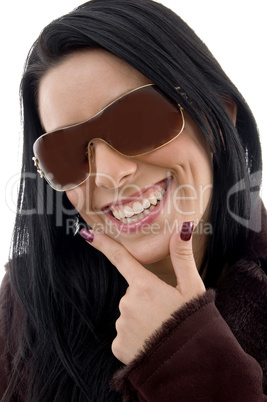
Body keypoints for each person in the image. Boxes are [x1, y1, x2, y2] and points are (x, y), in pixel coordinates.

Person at [0, 0, 266, 400]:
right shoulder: (25, 306)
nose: (109, 172)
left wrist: (183, 355)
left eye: (137, 118)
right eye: (66, 151)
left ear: (218, 117)